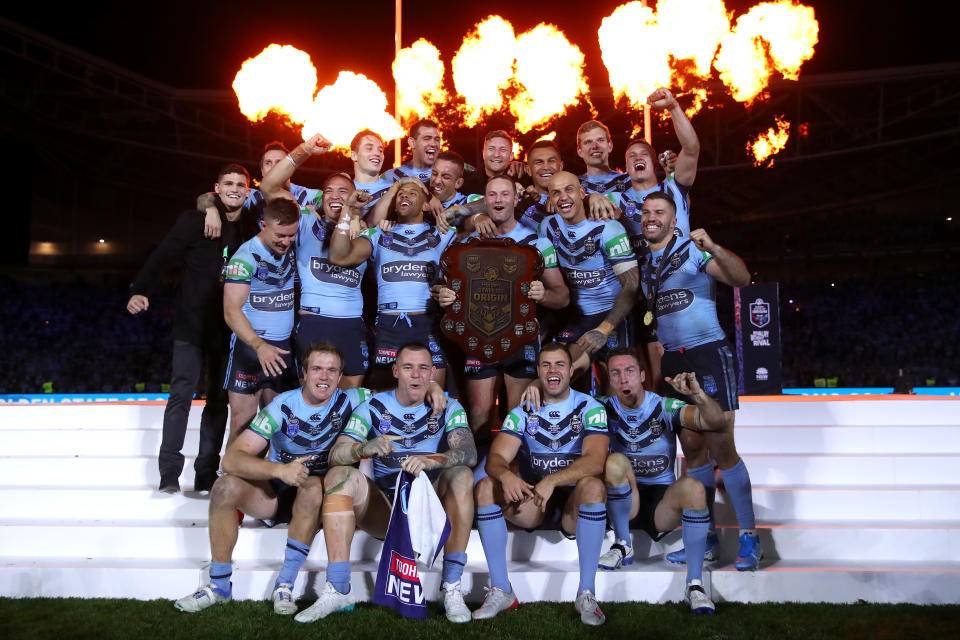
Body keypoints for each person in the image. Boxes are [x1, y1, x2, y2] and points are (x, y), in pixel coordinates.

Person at [173, 343, 370, 614]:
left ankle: (284, 585)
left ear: (339, 377)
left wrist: (430, 386)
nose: (324, 377)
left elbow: (399, 396)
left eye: (331, 370)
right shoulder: (282, 406)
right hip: (277, 492)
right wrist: (279, 471)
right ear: (304, 373)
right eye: (317, 369)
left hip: (321, 498)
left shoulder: (354, 398)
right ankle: (219, 586)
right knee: (223, 487)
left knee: (312, 484)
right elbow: (232, 459)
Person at [294, 343, 476, 624]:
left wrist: (432, 460)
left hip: (431, 513)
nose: (415, 375)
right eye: (408, 367)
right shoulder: (373, 407)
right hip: (387, 511)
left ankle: (451, 587)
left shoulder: (449, 406)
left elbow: (469, 452)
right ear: (395, 371)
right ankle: (339, 588)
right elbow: (336, 454)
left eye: (423, 368)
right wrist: (363, 449)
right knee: (339, 475)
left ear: (432, 374)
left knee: (462, 475)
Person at [638, 192, 761, 570]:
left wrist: (714, 248)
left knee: (722, 446)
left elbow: (741, 279)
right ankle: (704, 534)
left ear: (675, 221)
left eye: (659, 212)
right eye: (646, 212)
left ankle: (749, 537)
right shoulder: (645, 261)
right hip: (674, 358)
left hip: (708, 352)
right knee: (691, 451)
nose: (650, 217)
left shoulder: (692, 249)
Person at [127, 163, 255, 493]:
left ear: (248, 190)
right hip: (191, 324)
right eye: (228, 183)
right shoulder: (196, 221)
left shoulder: (252, 226)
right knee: (181, 396)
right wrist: (140, 289)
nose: (234, 188)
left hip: (227, 329)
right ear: (216, 187)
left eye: (240, 184)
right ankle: (169, 473)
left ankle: (205, 474)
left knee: (217, 402)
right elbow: (164, 255)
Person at [473, 342, 609, 625]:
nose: (552, 371)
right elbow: (496, 457)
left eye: (559, 364)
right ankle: (501, 590)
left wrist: (553, 480)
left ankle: (587, 594)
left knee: (594, 486)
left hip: (575, 506)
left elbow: (596, 461)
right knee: (486, 486)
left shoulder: (589, 407)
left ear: (571, 370)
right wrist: (506, 474)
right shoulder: (523, 412)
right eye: (545, 365)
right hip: (534, 502)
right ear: (538, 371)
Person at [434, 176, 569, 440]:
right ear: (485, 201)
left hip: (520, 340)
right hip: (476, 338)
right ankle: (478, 477)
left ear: (515, 199)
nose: (498, 200)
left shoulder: (537, 242)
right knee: (479, 416)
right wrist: (443, 294)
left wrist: (543, 295)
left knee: (518, 417)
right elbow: (443, 287)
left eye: (505, 194)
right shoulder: (465, 243)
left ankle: (515, 477)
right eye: (492, 195)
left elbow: (562, 296)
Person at [596, 348, 727, 614]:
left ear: (642, 375)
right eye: (616, 373)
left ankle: (695, 585)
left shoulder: (664, 406)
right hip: (624, 498)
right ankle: (622, 544)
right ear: (609, 379)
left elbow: (714, 421)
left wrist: (698, 396)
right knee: (615, 462)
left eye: (630, 371)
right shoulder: (600, 408)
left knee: (693, 488)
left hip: (660, 504)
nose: (624, 379)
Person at [260, 135, 370, 389]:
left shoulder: (366, 230)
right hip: (314, 323)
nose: (335, 195)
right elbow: (268, 187)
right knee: (311, 403)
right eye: (328, 191)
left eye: (343, 191)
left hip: (351, 325)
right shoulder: (306, 221)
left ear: (355, 196)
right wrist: (306, 149)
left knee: (347, 406)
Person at [329, 179, 457, 388]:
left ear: (426, 205)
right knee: (385, 405)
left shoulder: (443, 234)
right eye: (400, 193)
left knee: (432, 403)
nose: (404, 195)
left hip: (428, 326)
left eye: (412, 193)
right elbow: (339, 257)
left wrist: (477, 216)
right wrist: (347, 211)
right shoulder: (378, 234)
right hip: (389, 327)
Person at [542, 172, 639, 375]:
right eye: (556, 193)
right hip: (577, 318)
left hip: (613, 316)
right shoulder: (547, 227)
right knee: (564, 375)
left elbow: (632, 285)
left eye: (569, 189)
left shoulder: (608, 227)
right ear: (550, 199)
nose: (563, 197)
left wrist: (604, 329)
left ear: (582, 192)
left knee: (617, 385)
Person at [222, 198, 300, 442]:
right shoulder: (245, 256)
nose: (286, 242)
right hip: (251, 349)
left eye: (291, 235)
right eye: (280, 235)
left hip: (283, 348)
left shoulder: (290, 249)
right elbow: (231, 310)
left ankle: (270, 480)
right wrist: (258, 345)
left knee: (279, 427)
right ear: (263, 224)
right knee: (243, 426)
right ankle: (232, 478)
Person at [611, 87, 700, 251]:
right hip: (644, 276)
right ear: (626, 169)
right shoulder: (616, 200)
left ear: (654, 163)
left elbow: (691, 148)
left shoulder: (673, 189)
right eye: (632, 156)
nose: (637, 157)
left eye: (644, 154)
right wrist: (593, 198)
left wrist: (672, 106)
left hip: (682, 274)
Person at [199, 141, 321, 235]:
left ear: (289, 168)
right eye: (268, 163)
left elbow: (335, 202)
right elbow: (205, 197)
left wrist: (310, 212)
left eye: (280, 163)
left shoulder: (309, 196)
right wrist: (211, 210)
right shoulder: (252, 196)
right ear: (262, 171)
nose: (274, 167)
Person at [576, 120, 630, 195]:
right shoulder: (574, 186)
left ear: (610, 146)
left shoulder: (628, 181)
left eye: (600, 140)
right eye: (588, 142)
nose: (595, 146)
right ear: (579, 151)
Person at [381, 119, 442, 184]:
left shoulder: (451, 175)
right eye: (427, 139)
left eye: (437, 140)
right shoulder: (390, 177)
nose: (433, 144)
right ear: (412, 142)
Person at [350, 129, 394, 212]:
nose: (377, 153)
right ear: (354, 155)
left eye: (380, 150)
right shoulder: (343, 191)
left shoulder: (394, 189)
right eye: (369, 148)